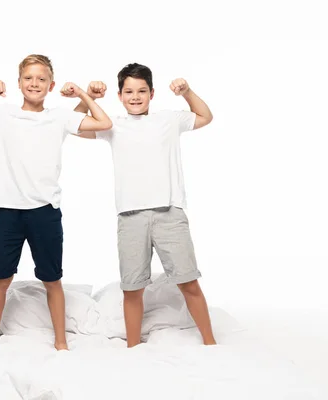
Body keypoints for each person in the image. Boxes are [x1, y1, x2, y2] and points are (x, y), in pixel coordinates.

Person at [0, 54, 112, 351]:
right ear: (19, 83)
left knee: (52, 279)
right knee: (1, 278)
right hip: (8, 210)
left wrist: (84, 94)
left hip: (45, 212)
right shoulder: (3, 114)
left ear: (51, 85)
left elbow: (103, 122)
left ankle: (61, 342)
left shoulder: (59, 117)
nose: (34, 83)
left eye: (41, 79)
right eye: (28, 78)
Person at [74, 63, 216, 347]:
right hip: (130, 217)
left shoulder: (168, 119)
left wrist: (186, 91)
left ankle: (211, 343)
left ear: (152, 93)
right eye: (128, 91)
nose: (135, 97)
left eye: (141, 91)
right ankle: (133, 347)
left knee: (188, 281)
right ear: (120, 95)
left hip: (169, 213)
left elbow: (205, 116)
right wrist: (89, 97)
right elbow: (72, 124)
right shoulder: (112, 125)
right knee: (132, 288)